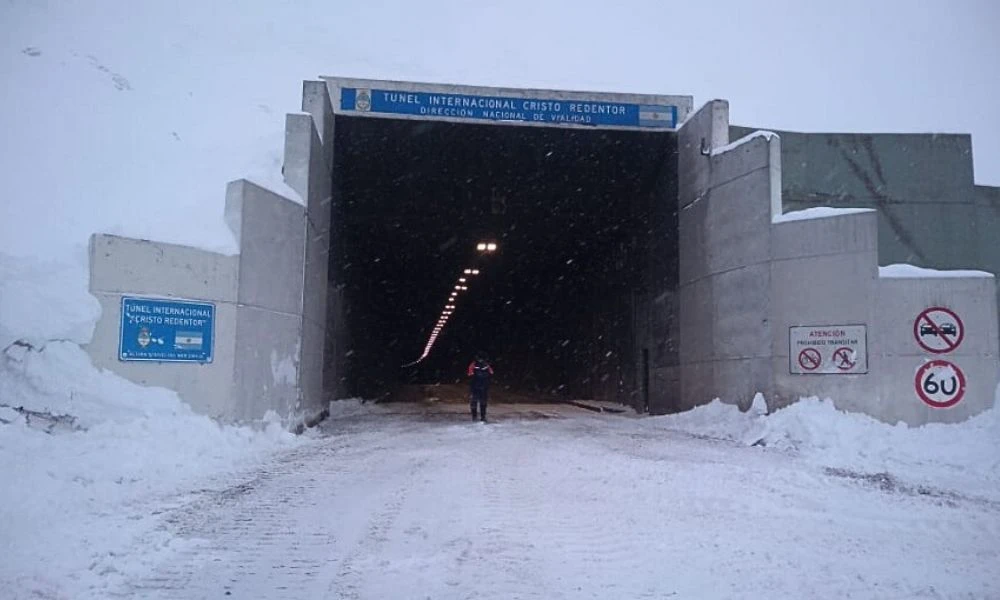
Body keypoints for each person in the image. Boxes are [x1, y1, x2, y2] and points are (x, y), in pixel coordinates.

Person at [467, 353, 494, 422]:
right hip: (483, 386)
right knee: (483, 402)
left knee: (474, 401)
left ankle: (475, 417)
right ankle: (483, 417)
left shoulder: (473, 364)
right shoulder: (486, 365)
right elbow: (491, 373)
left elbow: (469, 374)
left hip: (475, 386)